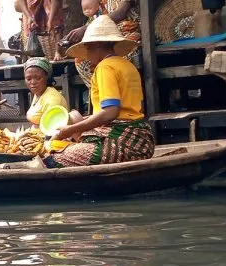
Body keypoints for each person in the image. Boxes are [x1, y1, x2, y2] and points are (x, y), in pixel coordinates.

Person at [44, 15, 154, 167]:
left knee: (53, 160)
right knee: (75, 117)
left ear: (96, 46)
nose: (87, 56)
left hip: (124, 142)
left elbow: (111, 112)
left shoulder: (105, 67)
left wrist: (69, 130)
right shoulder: (127, 65)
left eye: (88, 49)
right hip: (142, 140)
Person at [22, 57, 68, 127]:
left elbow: (53, 130)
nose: (33, 82)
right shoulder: (39, 93)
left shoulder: (52, 99)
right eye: (28, 79)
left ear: (47, 77)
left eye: (38, 78)